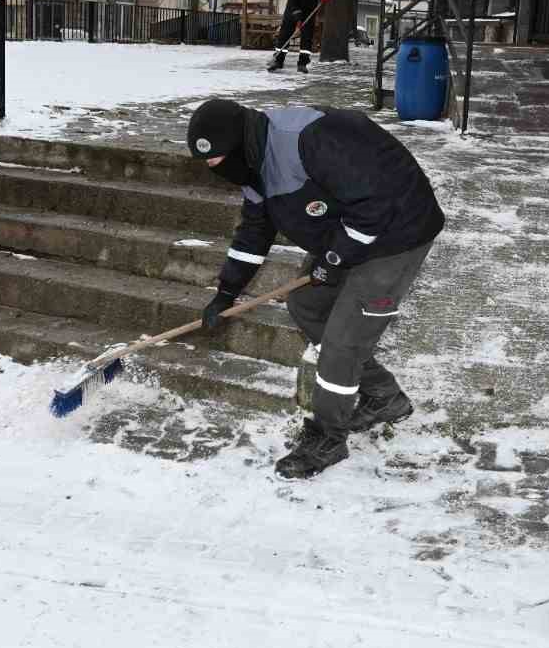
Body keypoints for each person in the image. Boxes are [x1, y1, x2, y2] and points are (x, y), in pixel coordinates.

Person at [187, 98, 444, 479]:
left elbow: (375, 203)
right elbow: (254, 232)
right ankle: (384, 397)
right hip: (350, 232)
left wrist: (334, 259)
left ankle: (328, 436)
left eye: (218, 161)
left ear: (238, 145)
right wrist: (226, 292)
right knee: (307, 305)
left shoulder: (307, 139)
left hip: (397, 234)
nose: (216, 170)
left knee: (343, 343)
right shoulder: (254, 164)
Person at [267, 0, 336, 73]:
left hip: (310, 9)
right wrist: (298, 19)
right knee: (285, 34)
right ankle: (278, 60)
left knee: (307, 37)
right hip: (293, 9)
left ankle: (302, 64)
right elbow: (293, 4)